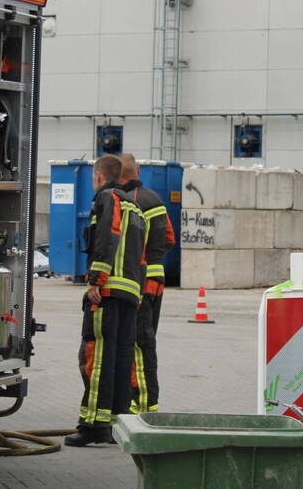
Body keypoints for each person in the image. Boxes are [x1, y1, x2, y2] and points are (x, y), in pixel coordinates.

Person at [65, 155, 146, 447]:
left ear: (99, 177)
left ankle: (93, 426)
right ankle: (116, 424)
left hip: (108, 291)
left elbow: (107, 236)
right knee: (121, 360)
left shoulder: (107, 197)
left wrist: (96, 280)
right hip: (129, 293)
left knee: (96, 358)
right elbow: (141, 255)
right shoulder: (135, 206)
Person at [118, 154, 176, 413]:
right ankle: (143, 401)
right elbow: (169, 238)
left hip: (138, 280)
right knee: (146, 340)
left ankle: (142, 404)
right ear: (138, 170)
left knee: (138, 344)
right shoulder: (155, 199)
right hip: (156, 280)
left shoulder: (126, 201)